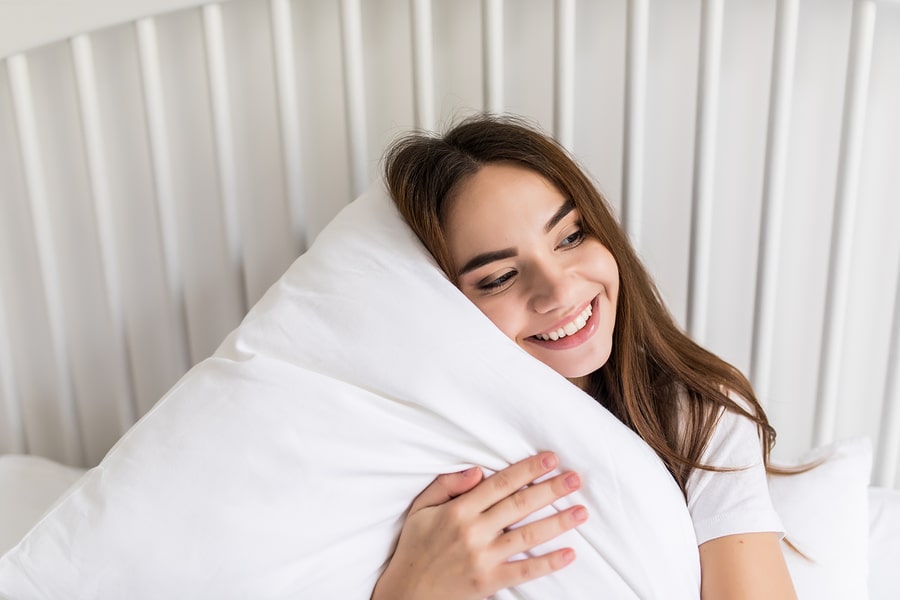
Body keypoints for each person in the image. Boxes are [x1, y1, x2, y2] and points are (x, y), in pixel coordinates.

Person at [371, 114, 797, 599]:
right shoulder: (419, 449)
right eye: (499, 277)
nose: (559, 289)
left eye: (570, 237)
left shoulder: (694, 416)